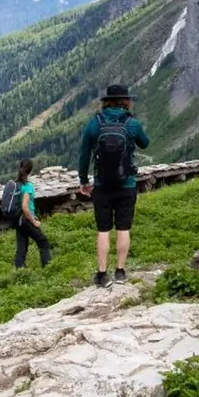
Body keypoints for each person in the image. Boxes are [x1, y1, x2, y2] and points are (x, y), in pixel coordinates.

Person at [77, 84, 149, 287]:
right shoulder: (131, 123)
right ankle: (120, 271)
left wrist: (83, 181)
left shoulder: (95, 124)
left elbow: (84, 155)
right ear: (125, 101)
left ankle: (101, 274)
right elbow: (145, 143)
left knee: (103, 230)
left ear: (106, 101)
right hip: (127, 184)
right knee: (123, 228)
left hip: (102, 185)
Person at [11, 158, 51, 269]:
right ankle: (48, 268)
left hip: (18, 220)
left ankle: (20, 271)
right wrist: (34, 221)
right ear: (30, 171)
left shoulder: (16, 185)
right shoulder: (27, 186)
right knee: (43, 241)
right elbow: (25, 207)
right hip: (26, 219)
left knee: (21, 247)